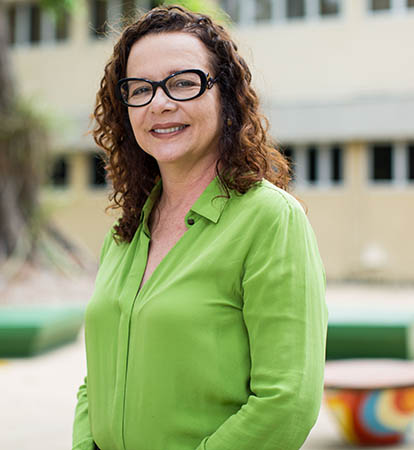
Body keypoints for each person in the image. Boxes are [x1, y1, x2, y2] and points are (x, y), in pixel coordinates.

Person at [73, 6, 328, 450]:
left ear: (225, 96)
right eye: (140, 89)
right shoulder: (126, 233)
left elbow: (286, 401)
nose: (160, 102)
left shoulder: (270, 220)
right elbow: (97, 376)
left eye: (183, 83)